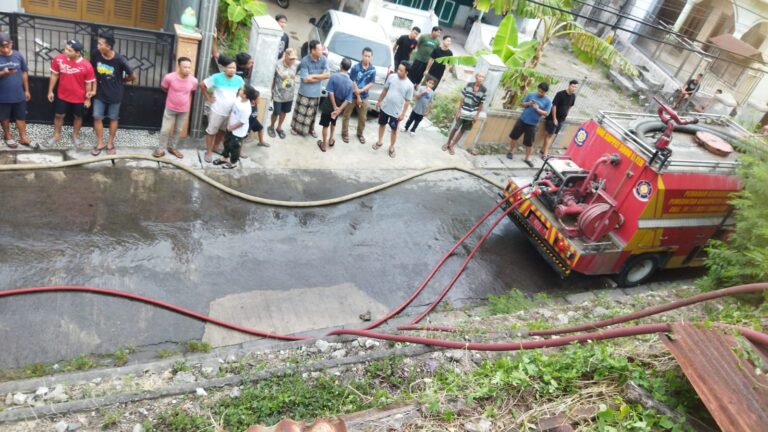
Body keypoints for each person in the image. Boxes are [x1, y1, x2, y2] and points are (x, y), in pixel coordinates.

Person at [90, 32, 136, 156]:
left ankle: (110, 143)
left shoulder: (119, 60)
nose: (98, 46)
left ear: (109, 46)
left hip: (115, 94)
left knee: (113, 118)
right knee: (97, 116)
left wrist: (122, 81)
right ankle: (100, 143)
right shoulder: (96, 54)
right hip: (100, 93)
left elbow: (132, 76)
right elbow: (92, 70)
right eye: (98, 43)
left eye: (100, 44)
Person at [46, 39, 95, 148]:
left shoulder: (87, 66)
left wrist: (88, 99)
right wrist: (50, 91)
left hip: (79, 98)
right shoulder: (59, 59)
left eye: (69, 50)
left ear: (77, 53)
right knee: (59, 115)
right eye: (66, 48)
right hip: (62, 95)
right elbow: (54, 75)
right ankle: (56, 135)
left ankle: (75, 135)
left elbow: (88, 84)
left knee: (78, 117)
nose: (65, 51)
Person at [200, 56, 244, 163]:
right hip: (217, 110)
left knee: (222, 131)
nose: (232, 70)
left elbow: (241, 91)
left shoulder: (239, 79)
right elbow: (202, 84)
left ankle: (215, 147)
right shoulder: (217, 77)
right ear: (224, 68)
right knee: (211, 131)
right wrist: (208, 97)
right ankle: (209, 152)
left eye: (234, 68)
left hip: (230, 113)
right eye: (229, 67)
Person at [154, 56, 198, 159]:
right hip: (170, 108)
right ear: (178, 66)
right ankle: (161, 149)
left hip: (184, 109)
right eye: (185, 67)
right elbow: (164, 88)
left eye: (189, 67)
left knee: (178, 130)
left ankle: (172, 147)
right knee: (165, 130)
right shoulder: (169, 77)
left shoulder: (193, 80)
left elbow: (191, 91)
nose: (187, 69)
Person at [374, 61, 413, 158]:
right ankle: (379, 141)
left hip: (396, 113)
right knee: (381, 125)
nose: (398, 71)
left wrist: (403, 114)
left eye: (401, 70)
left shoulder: (409, 85)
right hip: (385, 107)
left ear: (406, 72)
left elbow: (408, 101)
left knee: (394, 130)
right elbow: (385, 90)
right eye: (398, 69)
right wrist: (379, 101)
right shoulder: (391, 77)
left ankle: (391, 147)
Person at [291, 40, 329, 138]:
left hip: (316, 93)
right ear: (313, 50)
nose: (322, 51)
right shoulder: (305, 60)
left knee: (312, 114)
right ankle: (295, 128)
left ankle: (311, 129)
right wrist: (320, 76)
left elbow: (327, 75)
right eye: (319, 49)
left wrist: (313, 76)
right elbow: (305, 80)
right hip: (305, 92)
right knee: (300, 112)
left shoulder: (324, 59)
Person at [507, 82, 551, 167]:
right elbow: (521, 104)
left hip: (532, 124)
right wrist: (528, 104)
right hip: (522, 120)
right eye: (539, 91)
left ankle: (527, 158)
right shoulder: (531, 95)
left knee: (529, 143)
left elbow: (546, 113)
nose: (540, 93)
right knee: (514, 137)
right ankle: (511, 152)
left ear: (546, 92)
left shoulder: (548, 101)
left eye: (542, 92)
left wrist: (537, 109)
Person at [214, 85, 258, 169]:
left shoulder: (246, 108)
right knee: (226, 143)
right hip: (230, 127)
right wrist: (228, 124)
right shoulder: (238, 99)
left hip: (238, 132)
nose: (240, 90)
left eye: (242, 90)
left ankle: (233, 163)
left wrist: (232, 128)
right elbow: (233, 111)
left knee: (234, 147)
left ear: (245, 95)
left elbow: (242, 122)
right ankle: (225, 157)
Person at [442, 72, 486, 155]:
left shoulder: (484, 90)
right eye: (480, 76)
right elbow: (462, 98)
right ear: (476, 77)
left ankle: (452, 146)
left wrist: (476, 115)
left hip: (472, 114)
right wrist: (458, 111)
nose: (481, 78)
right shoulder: (469, 85)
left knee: (462, 131)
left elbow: (481, 104)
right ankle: (447, 143)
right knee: (455, 128)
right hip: (463, 111)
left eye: (483, 77)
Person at [0, 32, 31, 148]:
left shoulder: (18, 55)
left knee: (21, 116)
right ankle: (8, 136)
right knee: (4, 117)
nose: (6, 49)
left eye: (8, 46)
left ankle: (23, 137)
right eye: (3, 47)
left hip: (18, 94)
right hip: (2, 96)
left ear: (11, 43)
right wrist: (4, 72)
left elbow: (24, 72)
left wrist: (26, 90)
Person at [341, 47, 376, 144]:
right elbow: (353, 82)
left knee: (363, 118)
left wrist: (361, 91)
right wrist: (358, 96)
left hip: (364, 96)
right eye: (365, 56)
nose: (367, 58)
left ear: (371, 57)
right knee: (346, 115)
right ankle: (344, 133)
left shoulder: (373, 70)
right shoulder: (355, 68)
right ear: (362, 55)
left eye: (369, 56)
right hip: (352, 95)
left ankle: (360, 134)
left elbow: (371, 83)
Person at [317, 58, 353, 152]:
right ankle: (331, 140)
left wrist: (334, 107)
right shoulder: (350, 83)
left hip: (329, 105)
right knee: (333, 123)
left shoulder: (334, 76)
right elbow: (348, 100)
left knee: (325, 125)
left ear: (341, 65)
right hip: (339, 106)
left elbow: (330, 93)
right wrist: (338, 110)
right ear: (349, 69)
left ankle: (324, 145)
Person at [267, 47, 299, 140]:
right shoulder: (277, 64)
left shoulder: (296, 64)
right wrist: (271, 92)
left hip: (289, 94)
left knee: (284, 112)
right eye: (291, 58)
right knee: (276, 111)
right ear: (285, 55)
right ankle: (271, 126)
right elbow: (273, 79)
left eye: (294, 59)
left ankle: (279, 127)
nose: (292, 61)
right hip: (278, 93)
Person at [543, 79, 578, 159]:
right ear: (569, 85)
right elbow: (554, 106)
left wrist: (566, 115)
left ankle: (543, 150)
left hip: (562, 119)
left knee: (552, 135)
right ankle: (545, 154)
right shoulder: (560, 94)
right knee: (549, 135)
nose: (574, 88)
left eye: (575, 87)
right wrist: (554, 118)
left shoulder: (573, 96)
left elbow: (570, 106)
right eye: (573, 86)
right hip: (553, 118)